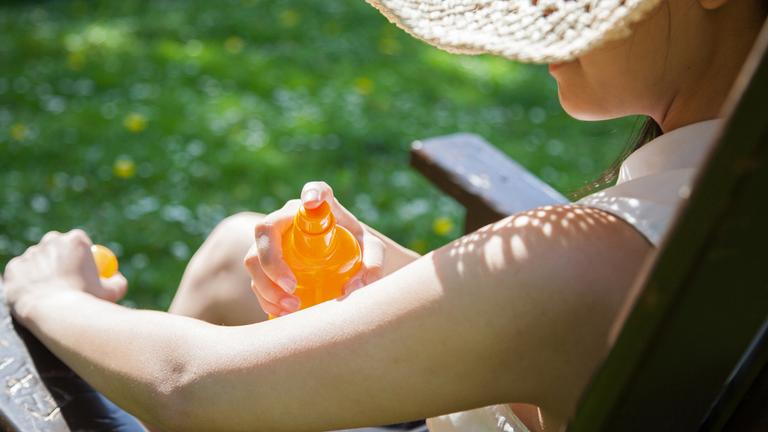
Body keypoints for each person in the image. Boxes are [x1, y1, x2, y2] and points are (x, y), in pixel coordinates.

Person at [2, 0, 765, 430]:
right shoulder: (709, 226)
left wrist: (48, 295)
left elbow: (189, 388)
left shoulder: (581, 260)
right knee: (240, 248)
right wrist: (417, 284)